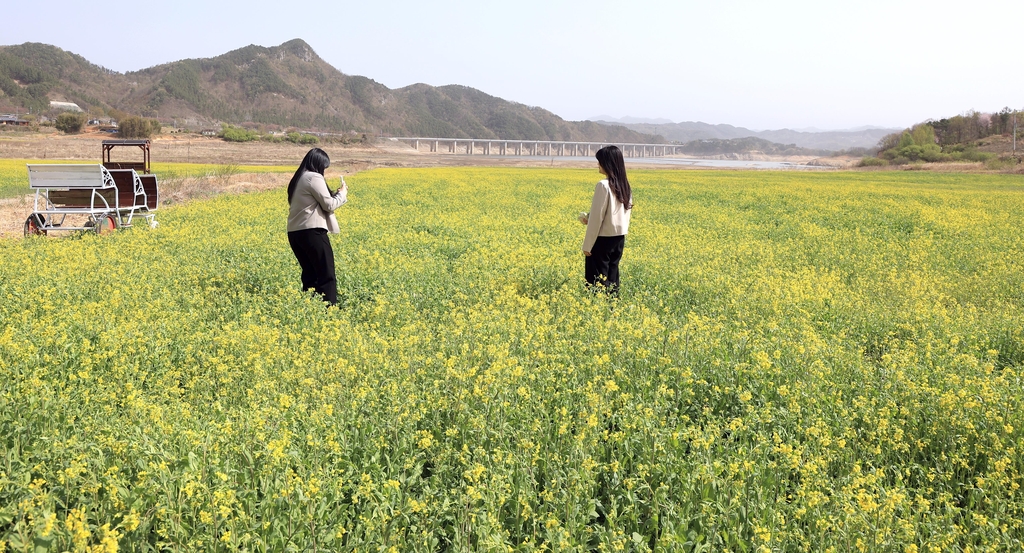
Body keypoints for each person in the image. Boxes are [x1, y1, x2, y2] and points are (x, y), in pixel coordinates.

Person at [286, 147, 347, 305]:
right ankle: (329, 310)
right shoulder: (313, 177)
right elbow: (329, 205)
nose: (323, 171)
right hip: (312, 232)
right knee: (326, 274)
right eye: (324, 167)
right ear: (318, 164)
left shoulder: (299, 178)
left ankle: (310, 308)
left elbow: (315, 201)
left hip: (295, 233)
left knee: (310, 274)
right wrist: (342, 194)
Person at [579, 145, 632, 293]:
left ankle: (599, 310)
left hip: (601, 241)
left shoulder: (603, 185)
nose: (598, 164)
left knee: (596, 282)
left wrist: (587, 245)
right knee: (612, 279)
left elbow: (597, 218)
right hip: (619, 239)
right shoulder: (625, 185)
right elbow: (620, 214)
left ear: (608, 163)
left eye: (600, 161)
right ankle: (612, 310)